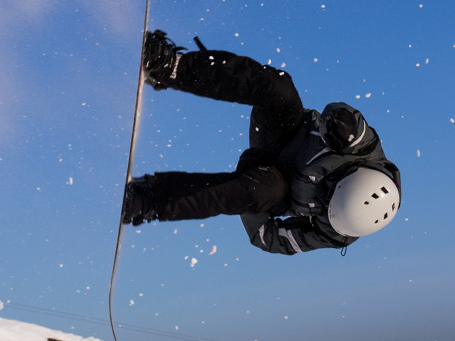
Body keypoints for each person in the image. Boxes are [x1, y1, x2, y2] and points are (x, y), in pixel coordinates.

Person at [122, 31, 401, 255]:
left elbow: (267, 239)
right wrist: (339, 124)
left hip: (271, 185)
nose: (323, 195)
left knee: (261, 191)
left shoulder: (336, 232)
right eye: (330, 193)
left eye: (327, 206)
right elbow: (346, 117)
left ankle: (149, 200)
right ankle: (170, 67)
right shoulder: (364, 150)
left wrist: (252, 205)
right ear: (353, 173)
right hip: (282, 132)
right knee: (280, 88)